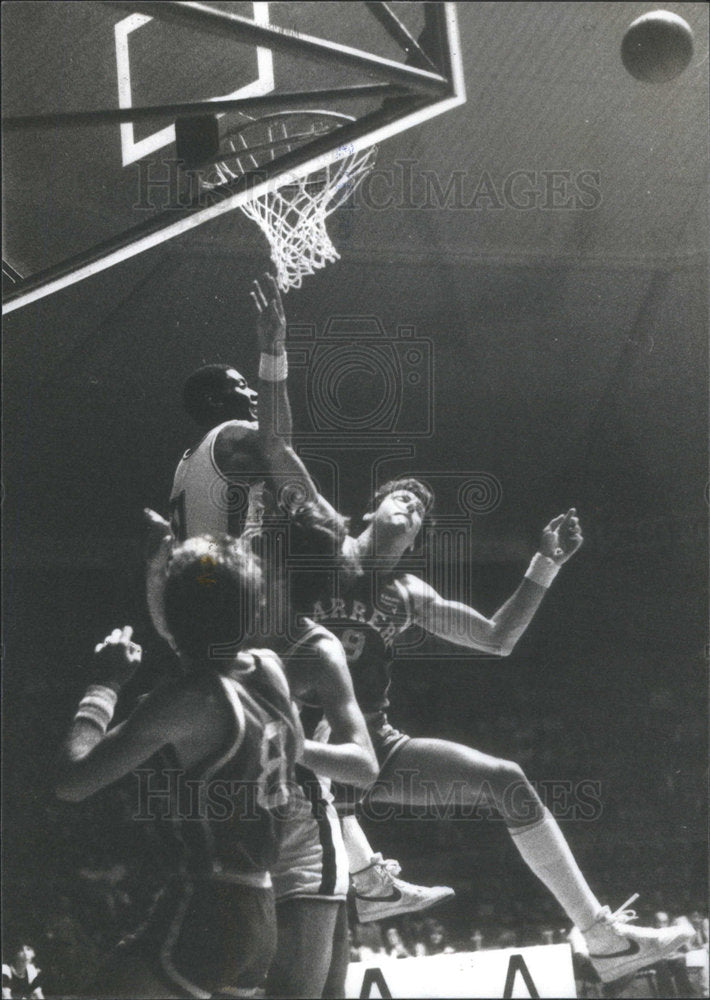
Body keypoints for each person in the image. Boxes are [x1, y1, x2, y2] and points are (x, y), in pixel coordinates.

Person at [256, 307, 696, 987]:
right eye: (400, 500)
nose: (410, 511)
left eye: (420, 514)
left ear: (417, 540)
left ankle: (602, 937)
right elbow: (279, 450)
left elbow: (496, 639)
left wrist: (543, 565)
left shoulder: (407, 596)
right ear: (369, 512)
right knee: (312, 765)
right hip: (298, 742)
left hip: (374, 746)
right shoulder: (322, 541)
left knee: (507, 782)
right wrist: (275, 357)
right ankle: (366, 876)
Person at [55, 535, 306, 998]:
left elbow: (73, 781)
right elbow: (198, 631)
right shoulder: (269, 670)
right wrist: (162, 572)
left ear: (175, 617)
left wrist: (104, 685)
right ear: (252, 611)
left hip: (208, 905)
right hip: (260, 910)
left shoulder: (190, 700)